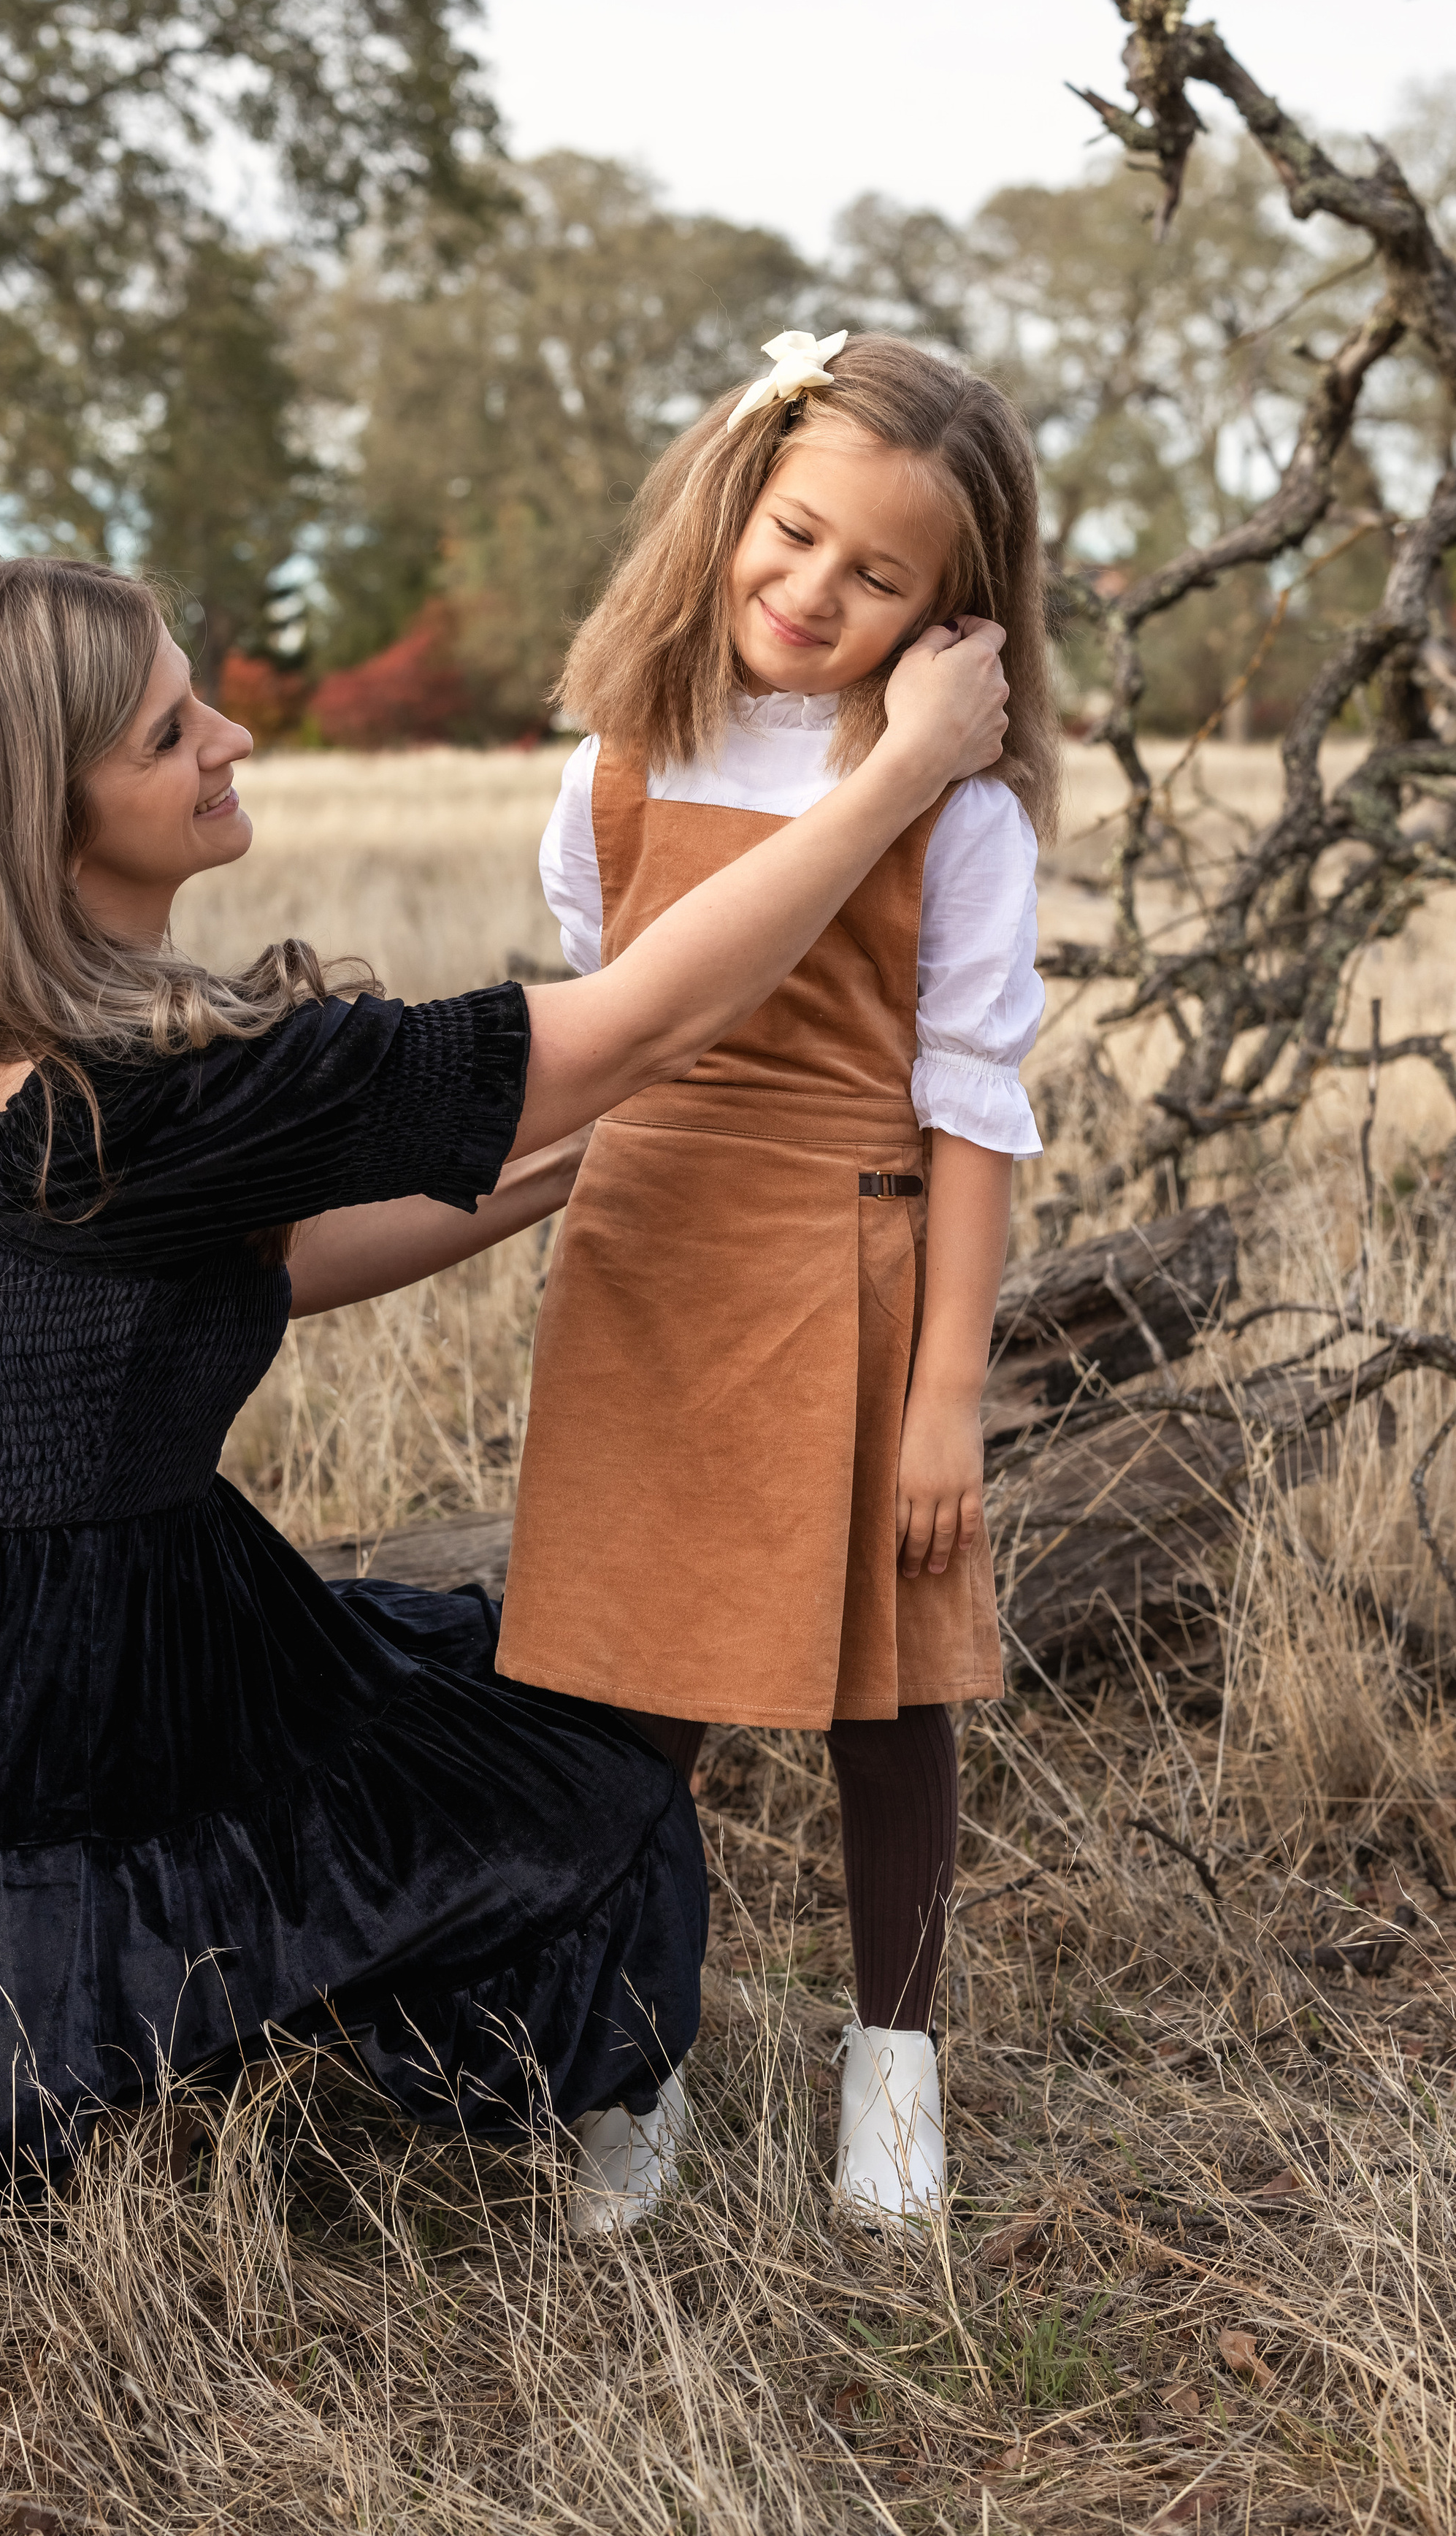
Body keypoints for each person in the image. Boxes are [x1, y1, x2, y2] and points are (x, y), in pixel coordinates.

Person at [0, 551, 1007, 2225]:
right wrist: (906, 764)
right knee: (576, 1790)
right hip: (86, 1689)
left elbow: (253, 1271)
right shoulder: (159, 1089)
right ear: (40, 814)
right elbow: (642, 1017)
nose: (230, 736)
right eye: (165, 731)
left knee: (416, 1755)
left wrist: (571, 1171)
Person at [497, 330, 1060, 2223]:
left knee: (886, 1699)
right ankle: (625, 2056)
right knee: (630, 1689)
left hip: (855, 1261)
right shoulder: (614, 770)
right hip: (652, 1263)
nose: (814, 593)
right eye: (795, 535)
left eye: (879, 576)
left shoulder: (955, 811)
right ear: (733, 501)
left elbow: (976, 1106)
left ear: (953, 618)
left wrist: (950, 1396)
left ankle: (893, 2076)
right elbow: (598, 1037)